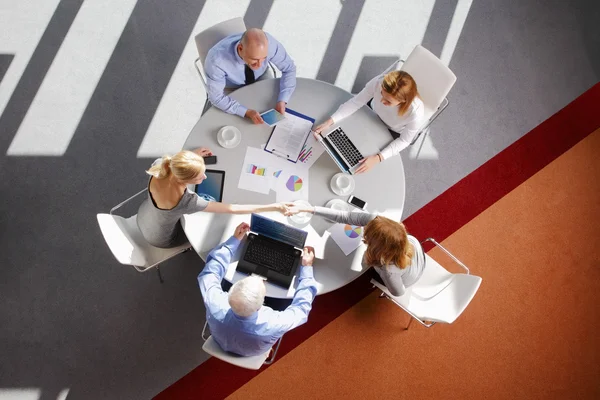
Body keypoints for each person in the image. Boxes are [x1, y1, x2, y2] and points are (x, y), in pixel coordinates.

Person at [198, 222, 317, 356]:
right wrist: (306, 267)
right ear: (262, 305)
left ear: (230, 292)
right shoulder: (274, 324)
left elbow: (209, 273)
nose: (261, 280)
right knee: (286, 299)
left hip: (220, 339)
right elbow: (301, 309)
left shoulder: (215, 302)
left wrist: (234, 241)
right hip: (254, 352)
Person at [136, 148, 295, 248]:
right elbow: (232, 209)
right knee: (210, 233)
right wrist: (275, 206)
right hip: (162, 238)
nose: (204, 177)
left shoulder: (161, 166)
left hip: (144, 215)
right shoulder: (185, 202)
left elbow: (176, 162)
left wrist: (192, 158)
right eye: (198, 177)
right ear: (183, 180)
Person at [290, 204, 424, 296]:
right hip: (417, 253)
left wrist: (380, 272)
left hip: (408, 277)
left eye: (367, 234)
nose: (364, 229)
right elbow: (345, 216)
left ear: (377, 247)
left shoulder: (388, 270)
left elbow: (399, 292)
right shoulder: (379, 223)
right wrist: (310, 209)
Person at [314, 71, 424, 174]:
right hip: (371, 113)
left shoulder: (415, 113)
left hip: (392, 130)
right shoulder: (379, 82)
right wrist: (330, 121)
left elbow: (404, 141)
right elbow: (355, 102)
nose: (381, 101)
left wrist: (378, 158)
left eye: (388, 101)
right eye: (382, 94)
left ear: (402, 101)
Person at [204, 28, 296, 124]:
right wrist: (246, 112)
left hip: (261, 76)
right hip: (231, 86)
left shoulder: (270, 44)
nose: (259, 65)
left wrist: (282, 100)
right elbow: (216, 97)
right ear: (240, 48)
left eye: (264, 58)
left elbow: (289, 69)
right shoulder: (216, 61)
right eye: (254, 59)